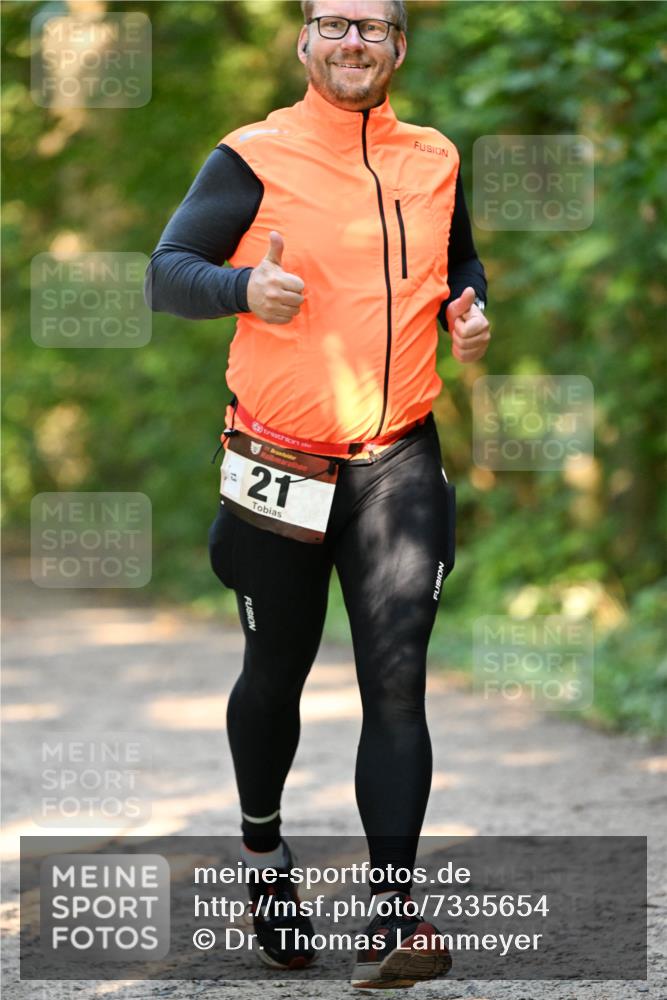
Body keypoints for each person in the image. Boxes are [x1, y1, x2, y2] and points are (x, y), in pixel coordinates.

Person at [145, 0, 490, 988]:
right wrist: (244, 288)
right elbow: (166, 275)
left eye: (371, 27)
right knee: (276, 670)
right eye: (334, 23)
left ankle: (392, 918)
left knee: (396, 680)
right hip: (282, 461)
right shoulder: (252, 154)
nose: (352, 42)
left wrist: (470, 305)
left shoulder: (434, 156)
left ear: (397, 47)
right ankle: (263, 859)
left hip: (398, 460)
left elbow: (455, 259)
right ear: (303, 42)